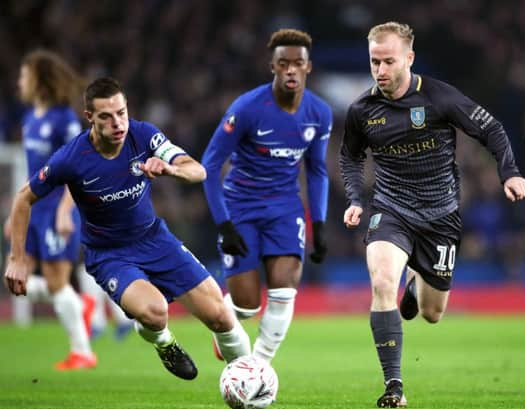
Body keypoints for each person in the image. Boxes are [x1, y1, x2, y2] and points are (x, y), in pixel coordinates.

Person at [4, 77, 251, 380]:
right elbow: (22, 199)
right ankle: (164, 342)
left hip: (155, 239)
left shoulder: (143, 135)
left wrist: (170, 169)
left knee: (221, 317)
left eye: (121, 113)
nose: (117, 123)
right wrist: (17, 258)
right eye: (106, 116)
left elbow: (197, 170)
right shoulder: (71, 158)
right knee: (156, 311)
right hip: (110, 255)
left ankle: (251, 379)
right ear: (90, 117)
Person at [339, 22, 525, 408]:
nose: (380, 70)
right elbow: (350, 156)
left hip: (440, 217)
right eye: (375, 61)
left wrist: (509, 172)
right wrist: (356, 199)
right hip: (390, 210)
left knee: (431, 313)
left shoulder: (440, 97)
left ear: (409, 58)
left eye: (389, 61)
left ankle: (415, 286)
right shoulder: (362, 109)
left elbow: (491, 129)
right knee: (380, 281)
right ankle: (394, 385)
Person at [202, 29, 332, 363]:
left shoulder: (319, 114)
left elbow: (316, 169)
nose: (290, 70)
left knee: (284, 291)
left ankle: (257, 368)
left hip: (285, 209)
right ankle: (224, 322)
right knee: (246, 306)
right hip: (241, 207)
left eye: (297, 63)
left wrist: (319, 222)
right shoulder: (246, 108)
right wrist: (224, 224)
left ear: (308, 67)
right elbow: (210, 164)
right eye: (283, 63)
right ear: (272, 67)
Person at [3, 49, 96, 370]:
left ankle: (82, 351)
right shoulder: (30, 119)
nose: (20, 82)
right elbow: (30, 175)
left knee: (56, 282)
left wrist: (65, 210)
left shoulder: (64, 120)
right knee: (14, 276)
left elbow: (77, 168)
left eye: (24, 76)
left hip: (57, 208)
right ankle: (76, 302)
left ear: (39, 80)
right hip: (33, 211)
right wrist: (15, 216)